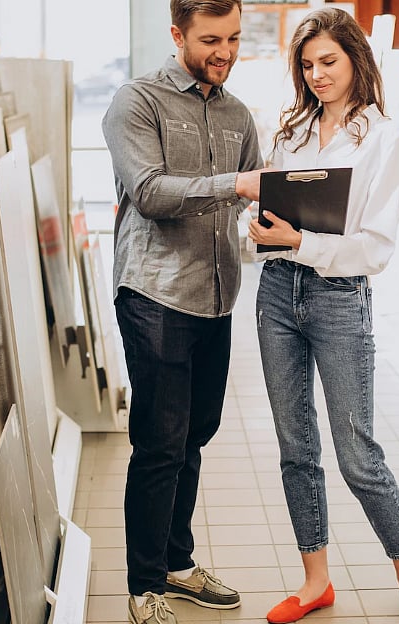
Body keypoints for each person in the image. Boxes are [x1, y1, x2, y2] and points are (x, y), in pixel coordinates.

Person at [247, 9, 399, 624]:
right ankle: (315, 581)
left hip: (338, 299)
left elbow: (374, 250)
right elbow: (269, 208)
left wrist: (302, 241)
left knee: (357, 450)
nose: (317, 75)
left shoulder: (387, 142)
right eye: (307, 65)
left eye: (328, 61)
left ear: (357, 59)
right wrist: (259, 227)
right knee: (295, 445)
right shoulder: (291, 132)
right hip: (277, 291)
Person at [101, 2, 264, 624]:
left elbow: (251, 201)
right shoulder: (136, 102)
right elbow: (149, 193)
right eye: (211, 40)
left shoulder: (236, 113)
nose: (225, 51)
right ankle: (144, 584)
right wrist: (236, 185)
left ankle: (175, 563)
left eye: (233, 39)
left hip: (215, 298)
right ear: (178, 35)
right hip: (156, 296)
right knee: (160, 444)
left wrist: (285, 214)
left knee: (195, 435)